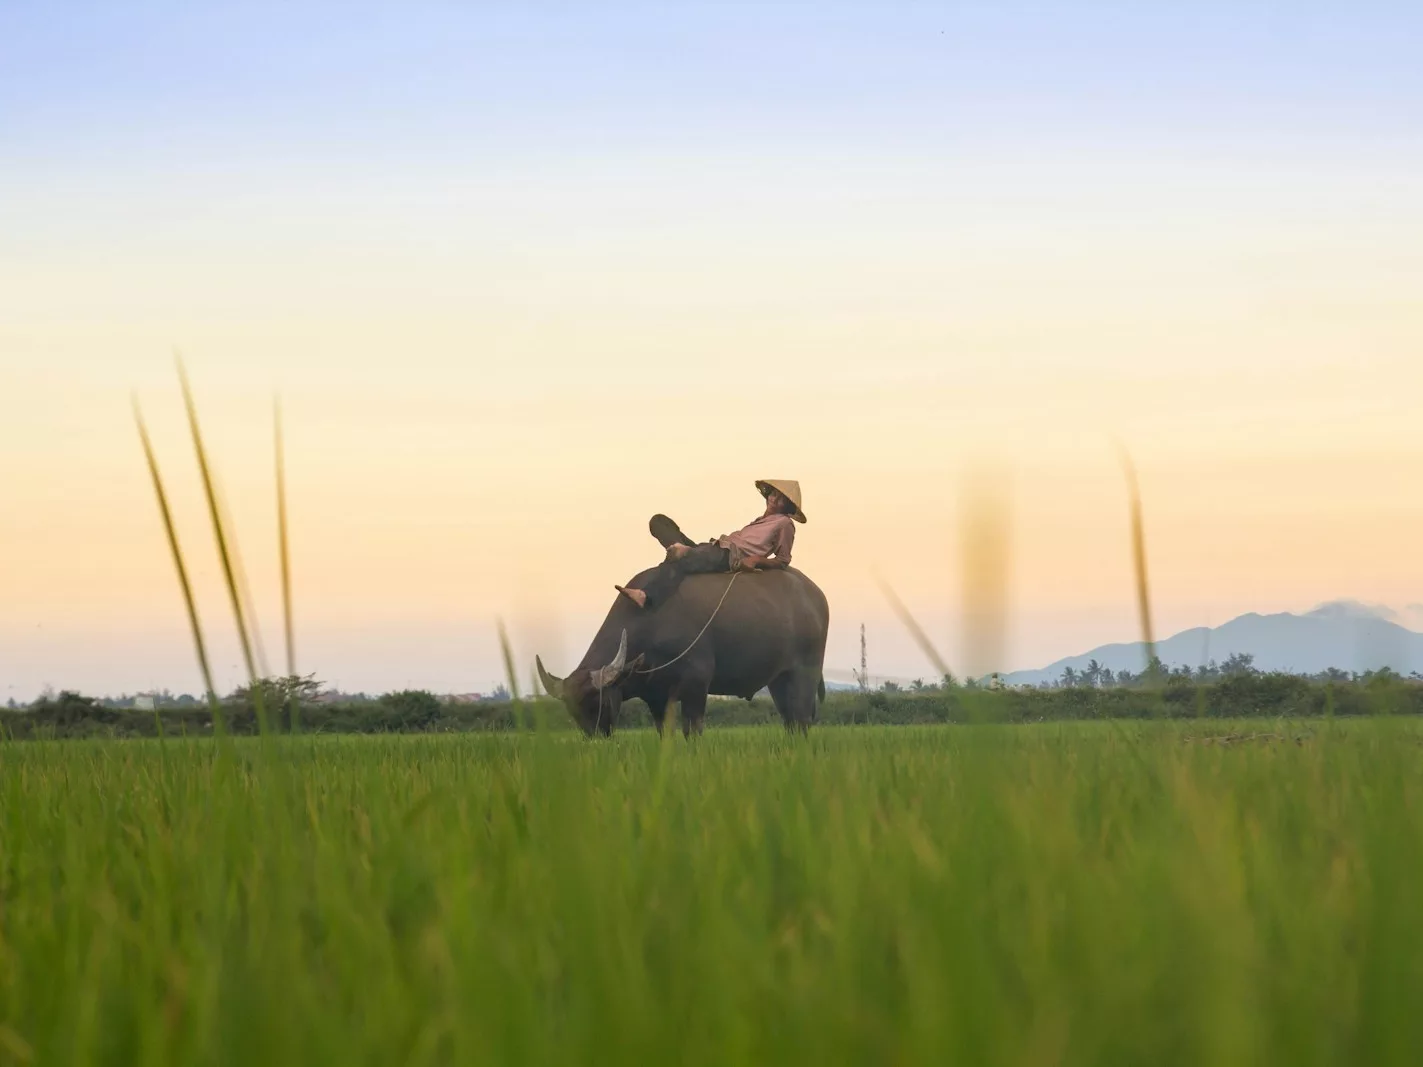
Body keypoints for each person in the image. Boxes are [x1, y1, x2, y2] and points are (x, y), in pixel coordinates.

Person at [615, 479, 806, 611]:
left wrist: (755, 559)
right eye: (774, 494)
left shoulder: (784, 523)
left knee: (682, 560)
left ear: (786, 506)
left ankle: (647, 596)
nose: (774, 499)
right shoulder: (762, 519)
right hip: (713, 547)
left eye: (781, 499)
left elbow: (783, 560)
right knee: (658, 521)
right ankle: (680, 548)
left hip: (729, 555)